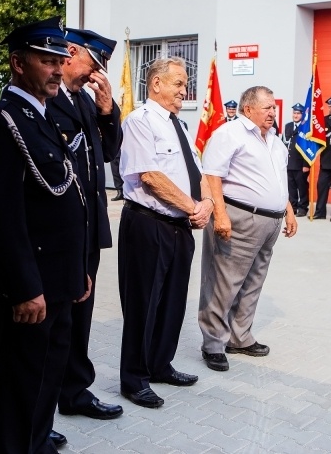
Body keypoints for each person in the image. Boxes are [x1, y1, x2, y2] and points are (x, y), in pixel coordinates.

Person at [0, 17, 92, 453]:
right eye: (47, 61)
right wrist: (24, 287)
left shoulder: (43, 119)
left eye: (61, 60)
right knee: (20, 383)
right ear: (18, 64)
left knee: (46, 377)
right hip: (30, 288)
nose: (58, 69)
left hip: (58, 281)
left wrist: (78, 270)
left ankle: (35, 444)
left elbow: (66, 200)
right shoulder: (2, 121)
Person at [118, 56, 213, 409]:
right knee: (143, 304)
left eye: (185, 84)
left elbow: (196, 170)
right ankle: (134, 379)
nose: (184, 90)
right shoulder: (140, 122)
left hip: (180, 226)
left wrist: (206, 204)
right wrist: (194, 208)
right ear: (155, 84)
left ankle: (160, 365)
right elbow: (150, 177)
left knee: (172, 302)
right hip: (148, 224)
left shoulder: (181, 126)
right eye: (178, 83)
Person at [49, 27, 124, 421]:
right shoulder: (47, 99)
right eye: (92, 65)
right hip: (62, 230)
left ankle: (75, 390)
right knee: (59, 320)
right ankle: (50, 396)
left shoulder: (82, 99)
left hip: (88, 226)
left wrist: (109, 110)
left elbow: (110, 151)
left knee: (81, 315)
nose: (93, 75)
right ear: (71, 52)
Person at [198, 86, 298, 373]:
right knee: (224, 282)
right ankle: (214, 344)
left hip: (271, 221)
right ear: (248, 108)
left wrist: (288, 212)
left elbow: (279, 182)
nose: (272, 112)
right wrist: (220, 215)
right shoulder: (230, 134)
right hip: (239, 218)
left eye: (273, 107)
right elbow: (212, 175)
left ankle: (240, 337)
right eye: (266, 108)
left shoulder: (275, 142)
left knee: (254, 282)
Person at [284, 103, 309, 217]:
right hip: (289, 163)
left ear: (302, 115)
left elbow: (308, 147)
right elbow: (284, 143)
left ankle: (303, 207)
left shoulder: (305, 127)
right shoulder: (288, 126)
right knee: (291, 187)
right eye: (294, 113)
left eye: (298, 113)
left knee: (302, 187)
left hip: (300, 164)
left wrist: (306, 164)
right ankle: (293, 207)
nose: (296, 115)